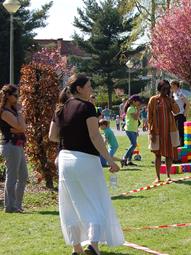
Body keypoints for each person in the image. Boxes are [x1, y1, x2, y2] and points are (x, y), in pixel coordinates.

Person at [49, 74, 124, 255]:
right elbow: (95, 135)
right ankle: (93, 245)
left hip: (65, 160)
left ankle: (76, 248)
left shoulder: (60, 108)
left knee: (69, 206)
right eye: (89, 86)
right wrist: (109, 159)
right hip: (85, 161)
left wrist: (70, 137)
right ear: (79, 89)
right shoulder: (87, 107)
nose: (91, 89)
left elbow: (52, 136)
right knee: (95, 202)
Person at [0, 85, 28, 213]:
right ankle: (9, 206)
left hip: (17, 144)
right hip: (10, 145)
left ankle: (17, 205)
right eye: (15, 95)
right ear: (7, 96)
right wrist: (20, 116)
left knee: (23, 176)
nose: (18, 97)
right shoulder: (5, 112)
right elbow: (21, 128)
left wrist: (18, 125)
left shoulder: (14, 110)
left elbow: (22, 127)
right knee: (12, 176)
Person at [147, 80, 180, 183]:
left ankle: (168, 175)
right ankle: (158, 177)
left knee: (169, 154)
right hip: (157, 131)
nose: (165, 90)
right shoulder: (153, 100)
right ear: (159, 88)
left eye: (167, 88)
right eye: (164, 88)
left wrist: (172, 100)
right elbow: (150, 117)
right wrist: (150, 131)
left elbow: (177, 111)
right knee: (157, 154)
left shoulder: (169, 100)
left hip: (169, 130)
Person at [121, 95, 141, 167]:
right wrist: (138, 110)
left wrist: (136, 130)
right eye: (138, 101)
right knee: (134, 144)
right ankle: (124, 158)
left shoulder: (134, 108)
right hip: (129, 129)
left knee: (132, 145)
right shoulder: (130, 108)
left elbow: (136, 119)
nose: (139, 103)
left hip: (133, 129)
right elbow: (136, 118)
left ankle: (129, 161)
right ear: (134, 101)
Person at [171, 80, 189, 146]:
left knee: (181, 131)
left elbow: (187, 103)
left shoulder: (180, 93)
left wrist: (185, 113)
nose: (171, 87)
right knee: (175, 131)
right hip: (174, 115)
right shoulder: (173, 94)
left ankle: (182, 146)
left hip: (180, 115)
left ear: (176, 86)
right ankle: (177, 145)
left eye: (172, 85)